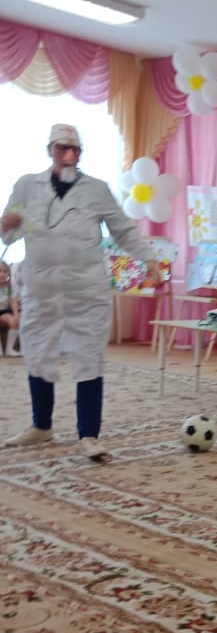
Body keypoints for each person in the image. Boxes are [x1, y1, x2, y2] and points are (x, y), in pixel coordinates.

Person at [0, 124, 163, 459]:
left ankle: (89, 433)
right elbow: (9, 234)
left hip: (86, 290)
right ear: (50, 150)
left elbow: (123, 229)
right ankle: (41, 425)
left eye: (76, 149)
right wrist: (7, 226)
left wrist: (149, 258)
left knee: (89, 356)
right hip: (41, 288)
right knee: (37, 352)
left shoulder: (97, 189)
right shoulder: (26, 185)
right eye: (63, 148)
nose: (70, 155)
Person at [0, 259, 20, 355]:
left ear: (8, 273)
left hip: (3, 312)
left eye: (5, 271)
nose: (2, 274)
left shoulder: (9, 286)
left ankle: (9, 349)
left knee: (13, 321)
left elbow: (13, 301)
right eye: (0, 271)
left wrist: (16, 315)